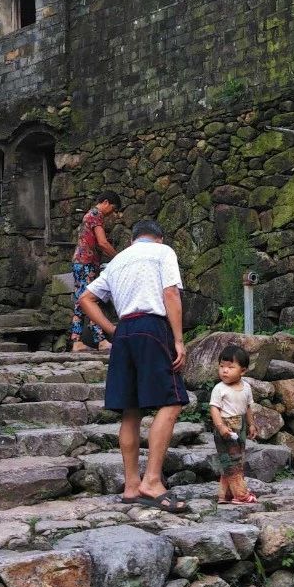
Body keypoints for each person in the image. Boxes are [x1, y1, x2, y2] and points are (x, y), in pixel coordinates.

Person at [77, 219, 191, 513]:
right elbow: (170, 294)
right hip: (152, 327)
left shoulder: (117, 261)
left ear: (132, 239)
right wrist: (178, 340)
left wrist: (111, 329)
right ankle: (152, 481)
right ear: (158, 237)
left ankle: (131, 486)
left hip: (125, 332)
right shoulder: (162, 251)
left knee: (131, 410)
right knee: (173, 400)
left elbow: (86, 298)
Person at [70, 191, 122, 352]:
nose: (111, 214)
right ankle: (100, 341)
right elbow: (102, 243)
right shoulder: (96, 215)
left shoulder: (89, 215)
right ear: (106, 202)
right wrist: (120, 257)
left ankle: (77, 341)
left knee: (81, 302)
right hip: (87, 264)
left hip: (79, 262)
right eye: (112, 209)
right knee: (92, 301)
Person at [210, 344, 257, 505]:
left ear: (242, 371)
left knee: (234, 461)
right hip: (225, 427)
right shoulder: (219, 389)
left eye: (230, 367)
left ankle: (225, 495)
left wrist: (251, 425)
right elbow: (214, 409)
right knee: (233, 462)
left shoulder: (246, 387)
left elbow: (248, 407)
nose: (224, 370)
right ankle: (241, 495)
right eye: (222, 366)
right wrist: (221, 426)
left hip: (241, 425)